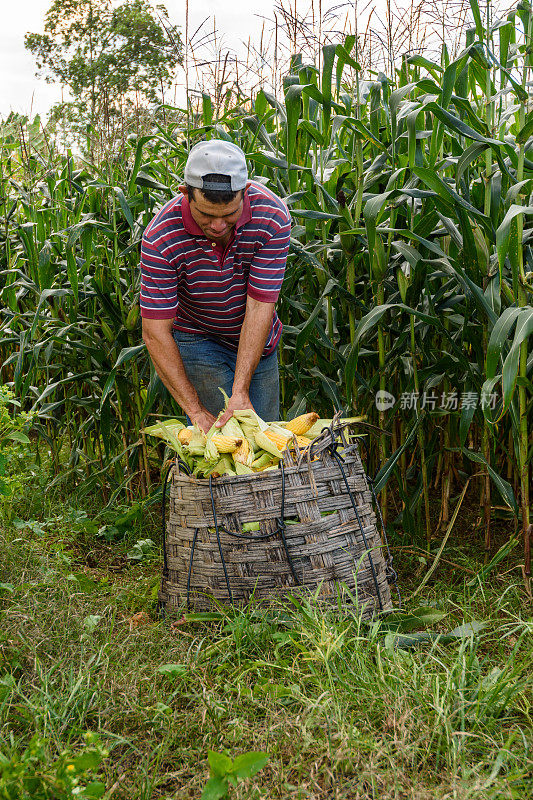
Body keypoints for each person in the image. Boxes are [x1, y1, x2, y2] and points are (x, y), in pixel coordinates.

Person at [140, 140, 291, 432]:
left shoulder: (272, 217)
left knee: (265, 435)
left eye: (229, 215)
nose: (219, 225)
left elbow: (260, 305)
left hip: (258, 339)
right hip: (198, 338)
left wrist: (241, 392)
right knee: (218, 437)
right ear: (185, 194)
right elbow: (155, 332)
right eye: (207, 215)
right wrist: (195, 412)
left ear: (245, 194)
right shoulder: (160, 237)